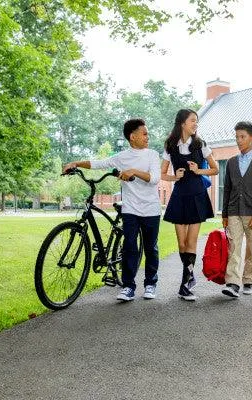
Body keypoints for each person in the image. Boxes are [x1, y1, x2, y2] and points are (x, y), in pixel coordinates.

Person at [63, 119, 161, 302]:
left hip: (151, 209)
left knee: (150, 248)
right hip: (131, 208)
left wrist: (133, 171)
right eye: (144, 133)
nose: (148, 137)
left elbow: (154, 179)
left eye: (147, 134)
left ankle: (150, 283)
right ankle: (128, 287)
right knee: (130, 246)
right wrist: (75, 163)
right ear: (133, 137)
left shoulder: (153, 155)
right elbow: (98, 163)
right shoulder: (122, 156)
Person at [161, 109, 219, 301]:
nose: (196, 124)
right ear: (182, 123)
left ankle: (184, 284)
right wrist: (173, 177)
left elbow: (215, 169)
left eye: (197, 121)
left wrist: (198, 171)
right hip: (179, 195)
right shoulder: (170, 146)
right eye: (193, 121)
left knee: (192, 242)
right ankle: (189, 275)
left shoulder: (200, 144)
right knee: (182, 242)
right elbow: (162, 174)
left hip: (197, 196)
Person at [221, 121, 252, 298]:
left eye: (242, 137)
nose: (238, 140)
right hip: (234, 211)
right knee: (233, 247)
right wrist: (225, 214)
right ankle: (233, 283)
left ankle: (249, 280)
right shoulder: (231, 162)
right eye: (236, 137)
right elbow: (227, 189)